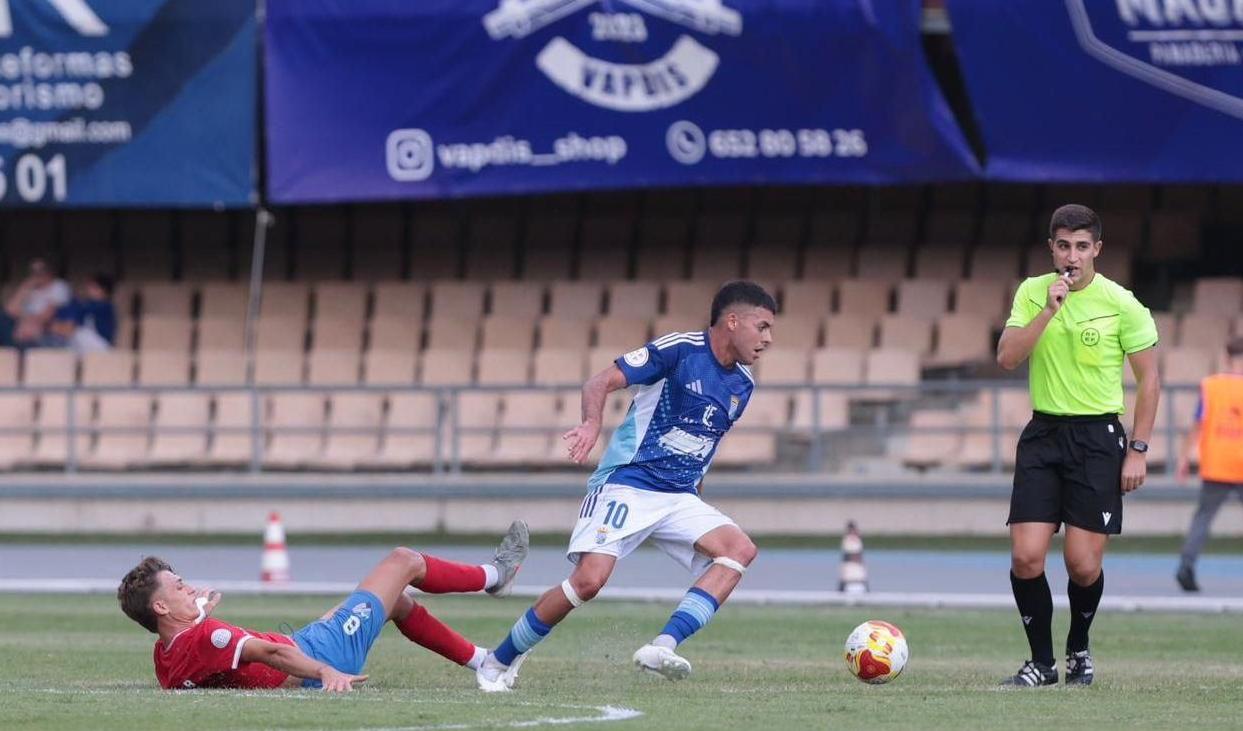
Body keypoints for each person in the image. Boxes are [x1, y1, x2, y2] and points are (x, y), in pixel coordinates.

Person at [475, 280, 776, 692]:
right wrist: (591, 426)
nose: (768, 339)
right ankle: (497, 661)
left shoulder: (743, 385)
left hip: (679, 497)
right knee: (588, 582)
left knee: (739, 551)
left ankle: (663, 645)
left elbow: (706, 444)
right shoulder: (680, 350)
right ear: (733, 321)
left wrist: (695, 504)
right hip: (628, 483)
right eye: (762, 327)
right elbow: (598, 383)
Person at [995, 204, 1160, 687]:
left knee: (1082, 565)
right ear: (1052, 248)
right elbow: (1007, 358)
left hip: (1097, 439)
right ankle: (1042, 664)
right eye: (1063, 246)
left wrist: (1139, 449)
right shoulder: (1033, 292)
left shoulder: (1122, 303)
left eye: (1082, 247)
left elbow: (1150, 382)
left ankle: (1078, 648)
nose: (1072, 256)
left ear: (1097, 250)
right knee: (1026, 558)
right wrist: (1049, 308)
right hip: (1044, 435)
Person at [117, 523, 529, 691]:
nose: (188, 586)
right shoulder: (210, 635)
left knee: (396, 603)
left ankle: (484, 663)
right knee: (403, 561)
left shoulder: (165, 653)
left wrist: (198, 609)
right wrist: (325, 671)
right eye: (179, 586)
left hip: (306, 641)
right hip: (321, 653)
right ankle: (496, 576)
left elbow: (199, 660)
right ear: (160, 606)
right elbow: (273, 653)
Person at [1175, 336, 1243, 593]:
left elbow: (1197, 423)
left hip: (1217, 461)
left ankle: (1186, 565)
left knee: (1203, 517)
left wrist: (1184, 456)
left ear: (1226, 358)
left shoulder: (1211, 386)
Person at [0, 258, 70, 348]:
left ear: (49, 272)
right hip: (18, 329)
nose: (36, 275)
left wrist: (23, 319)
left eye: (40, 271)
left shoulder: (58, 286)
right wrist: (26, 285)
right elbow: (9, 310)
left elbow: (45, 317)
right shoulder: (30, 289)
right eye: (32, 271)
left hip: (38, 334)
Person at [38, 274, 117, 354]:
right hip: (84, 344)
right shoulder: (89, 304)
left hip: (101, 344)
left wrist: (64, 326)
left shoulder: (105, 306)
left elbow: (79, 314)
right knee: (68, 344)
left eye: (94, 288)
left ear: (104, 291)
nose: (89, 290)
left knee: (75, 331)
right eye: (90, 288)